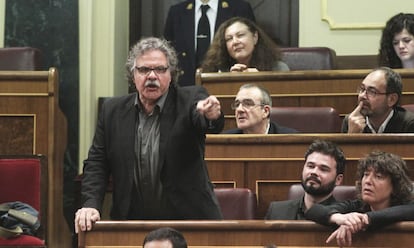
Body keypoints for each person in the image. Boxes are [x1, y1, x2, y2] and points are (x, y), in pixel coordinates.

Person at [74, 37, 225, 233]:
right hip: (133, 223)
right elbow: (97, 163)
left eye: (160, 70)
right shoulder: (112, 111)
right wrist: (90, 204)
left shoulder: (190, 100)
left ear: (171, 74)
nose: (152, 76)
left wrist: (212, 115)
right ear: (132, 74)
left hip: (188, 222)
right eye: (144, 70)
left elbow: (207, 122)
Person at [305, 150, 414, 247]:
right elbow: (313, 210)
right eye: (366, 175)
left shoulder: (407, 207)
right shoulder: (357, 205)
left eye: (378, 176)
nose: (368, 181)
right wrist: (339, 218)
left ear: (395, 186)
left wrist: (365, 219)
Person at [164, 0, 255, 86]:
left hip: (227, 84)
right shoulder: (177, 12)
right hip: (185, 89)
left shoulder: (240, 8)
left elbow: (254, 47)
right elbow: (168, 53)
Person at [265, 139, 346, 220]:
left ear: (338, 180)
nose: (314, 172)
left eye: (323, 169)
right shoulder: (276, 211)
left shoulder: (343, 216)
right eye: (310, 166)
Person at [201, 16, 289, 73]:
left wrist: (260, 79)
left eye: (240, 35)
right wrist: (229, 80)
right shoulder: (216, 71)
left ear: (255, 37)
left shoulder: (278, 69)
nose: (235, 42)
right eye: (229, 39)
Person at [342, 67, 414, 133]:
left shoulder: (409, 124)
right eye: (362, 89)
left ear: (392, 99)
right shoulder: (351, 121)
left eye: (372, 92)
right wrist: (352, 135)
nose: (362, 96)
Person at [222, 83, 297, 134]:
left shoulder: (289, 139)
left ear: (265, 111)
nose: (239, 109)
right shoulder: (225, 140)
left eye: (248, 104)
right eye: (237, 104)